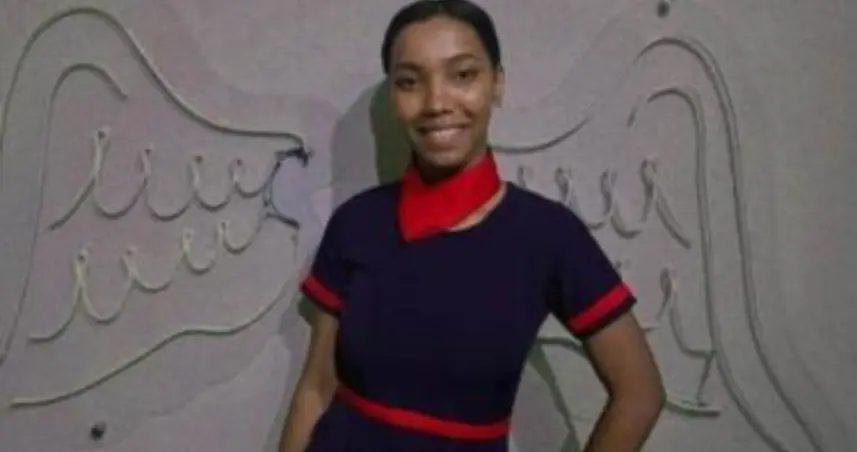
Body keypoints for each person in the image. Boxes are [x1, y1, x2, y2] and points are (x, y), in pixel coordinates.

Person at [277, 1, 664, 451]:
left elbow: (640, 395)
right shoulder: (357, 223)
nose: (436, 103)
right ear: (395, 99)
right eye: (409, 82)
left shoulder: (548, 236)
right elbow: (315, 389)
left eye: (462, 75)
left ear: (497, 82)